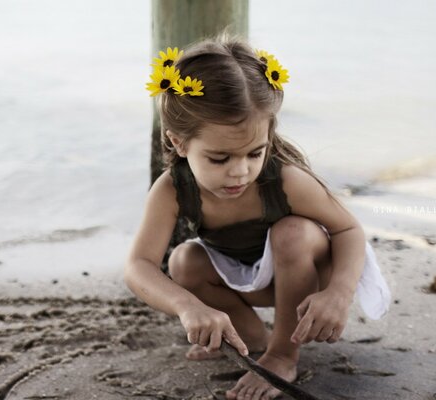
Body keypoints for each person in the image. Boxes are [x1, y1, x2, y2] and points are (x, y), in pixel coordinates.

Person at [124, 35, 391, 400]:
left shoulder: (286, 181)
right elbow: (139, 265)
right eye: (221, 159)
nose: (240, 172)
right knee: (184, 261)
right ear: (179, 143)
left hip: (312, 271)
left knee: (292, 232)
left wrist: (339, 293)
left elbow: (348, 228)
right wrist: (190, 307)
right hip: (249, 276)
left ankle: (283, 353)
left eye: (255, 153)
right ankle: (250, 338)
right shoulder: (172, 189)